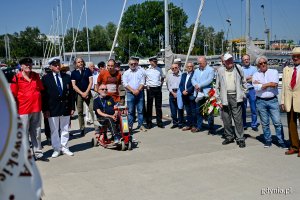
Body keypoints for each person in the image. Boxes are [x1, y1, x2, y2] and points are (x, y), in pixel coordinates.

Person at [10, 57, 46, 160]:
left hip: (36, 108)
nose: (28, 66)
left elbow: (41, 90)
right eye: (26, 64)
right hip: (23, 110)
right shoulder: (16, 78)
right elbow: (12, 95)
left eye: (30, 64)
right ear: (21, 66)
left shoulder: (36, 76)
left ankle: (38, 153)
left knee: (37, 132)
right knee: (24, 133)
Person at [42, 58, 75, 158]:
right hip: (52, 108)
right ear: (50, 66)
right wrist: (45, 109)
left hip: (65, 107)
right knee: (54, 130)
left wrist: (72, 107)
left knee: (65, 129)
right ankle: (56, 149)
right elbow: (43, 96)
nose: (57, 66)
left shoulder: (66, 77)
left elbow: (71, 94)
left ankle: (65, 147)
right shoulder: (46, 78)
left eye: (58, 64)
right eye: (55, 65)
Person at [252, 56, 287, 149]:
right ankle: (268, 140)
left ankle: (281, 141)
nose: (263, 64)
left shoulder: (274, 72)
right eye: (261, 63)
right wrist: (267, 84)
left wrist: (262, 85)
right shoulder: (255, 75)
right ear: (258, 65)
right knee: (265, 123)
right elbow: (256, 88)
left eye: (264, 62)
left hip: (273, 100)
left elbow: (275, 84)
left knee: (277, 122)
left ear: (267, 63)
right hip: (260, 101)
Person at [215, 53, 246, 148]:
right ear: (224, 62)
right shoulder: (220, 70)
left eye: (231, 60)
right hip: (224, 96)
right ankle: (229, 136)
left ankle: (240, 138)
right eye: (227, 60)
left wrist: (243, 93)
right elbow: (217, 85)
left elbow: (244, 81)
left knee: (238, 119)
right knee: (226, 118)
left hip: (236, 97)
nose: (230, 62)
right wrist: (217, 98)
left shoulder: (238, 68)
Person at [281, 47, 300, 155]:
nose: (295, 58)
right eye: (294, 56)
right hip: (290, 100)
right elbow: (283, 86)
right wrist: (282, 101)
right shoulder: (287, 70)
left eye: (298, 56)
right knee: (291, 123)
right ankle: (294, 146)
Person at [191, 56, 215, 133]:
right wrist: (195, 85)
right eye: (198, 63)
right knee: (198, 111)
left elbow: (210, 80)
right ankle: (199, 126)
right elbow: (193, 79)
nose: (199, 65)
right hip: (199, 93)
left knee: (209, 111)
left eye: (200, 63)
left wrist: (200, 85)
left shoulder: (210, 70)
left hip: (208, 93)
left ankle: (211, 128)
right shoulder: (197, 70)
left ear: (205, 62)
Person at [71, 57, 94, 136]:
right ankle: (82, 128)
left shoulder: (87, 71)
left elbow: (91, 82)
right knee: (80, 112)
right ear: (76, 64)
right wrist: (82, 93)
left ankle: (97, 127)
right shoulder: (73, 73)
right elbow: (74, 86)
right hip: (79, 94)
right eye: (78, 62)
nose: (80, 63)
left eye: (81, 61)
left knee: (92, 110)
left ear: (83, 62)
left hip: (88, 92)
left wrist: (86, 92)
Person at [122, 57, 147, 132]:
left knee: (140, 110)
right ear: (129, 64)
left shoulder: (140, 72)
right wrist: (133, 91)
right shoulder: (126, 73)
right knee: (130, 111)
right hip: (130, 93)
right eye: (131, 64)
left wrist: (138, 90)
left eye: (135, 63)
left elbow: (142, 82)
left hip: (139, 93)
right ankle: (130, 126)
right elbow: (125, 84)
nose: (133, 65)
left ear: (137, 64)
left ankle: (140, 125)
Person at [145, 56, 165, 129]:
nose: (155, 63)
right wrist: (146, 86)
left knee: (158, 106)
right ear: (150, 62)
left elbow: (162, 77)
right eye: (154, 61)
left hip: (158, 88)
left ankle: (159, 122)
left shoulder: (159, 69)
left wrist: (161, 85)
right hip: (150, 89)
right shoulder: (147, 70)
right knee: (149, 106)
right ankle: (149, 123)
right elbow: (144, 79)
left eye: (156, 61)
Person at [241, 54, 258, 131]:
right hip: (243, 90)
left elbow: (255, 79)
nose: (246, 61)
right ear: (242, 61)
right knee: (243, 108)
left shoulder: (254, 69)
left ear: (249, 59)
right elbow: (240, 80)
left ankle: (254, 124)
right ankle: (244, 124)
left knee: (253, 108)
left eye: (247, 59)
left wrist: (245, 79)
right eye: (244, 60)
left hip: (252, 90)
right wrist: (248, 78)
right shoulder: (240, 69)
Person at [179, 62, 196, 131]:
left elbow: (193, 85)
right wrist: (183, 91)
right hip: (184, 95)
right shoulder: (183, 75)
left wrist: (187, 91)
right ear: (186, 67)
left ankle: (194, 125)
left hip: (191, 95)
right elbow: (181, 84)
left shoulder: (195, 74)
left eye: (190, 66)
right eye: (188, 66)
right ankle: (189, 125)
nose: (189, 67)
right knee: (188, 111)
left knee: (193, 111)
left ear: (193, 67)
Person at [166, 62, 183, 129]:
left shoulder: (182, 75)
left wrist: (178, 93)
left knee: (180, 109)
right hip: (172, 93)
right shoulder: (170, 75)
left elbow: (182, 85)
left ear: (178, 67)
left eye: (176, 67)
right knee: (173, 110)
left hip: (179, 93)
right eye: (172, 68)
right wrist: (173, 93)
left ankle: (180, 123)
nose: (174, 69)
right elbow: (169, 85)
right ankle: (175, 123)